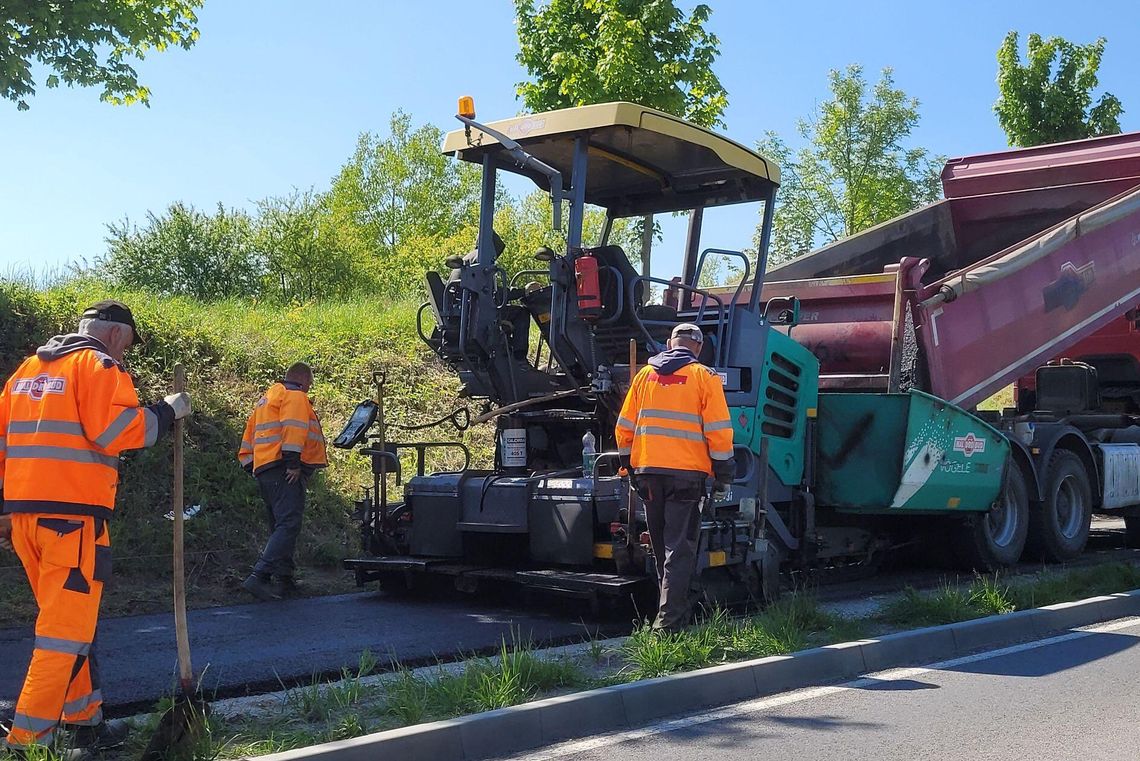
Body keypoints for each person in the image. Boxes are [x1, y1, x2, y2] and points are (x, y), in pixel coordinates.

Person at [0, 300, 192, 754]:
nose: (126, 354)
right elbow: (120, 431)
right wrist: (167, 412)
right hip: (72, 522)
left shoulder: (26, 372)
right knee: (63, 637)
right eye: (127, 344)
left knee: (68, 626)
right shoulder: (99, 365)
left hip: (27, 521)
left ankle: (84, 720)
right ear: (114, 335)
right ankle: (30, 743)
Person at [615, 323, 734, 633]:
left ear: (669, 343)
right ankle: (668, 625)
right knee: (678, 548)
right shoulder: (704, 377)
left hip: (649, 474)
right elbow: (719, 432)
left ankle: (673, 611)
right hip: (686, 476)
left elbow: (623, 427)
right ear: (698, 347)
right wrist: (724, 475)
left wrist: (629, 466)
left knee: (661, 546)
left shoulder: (644, 376)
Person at [238, 362, 327, 601]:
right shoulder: (295, 396)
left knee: (280, 525)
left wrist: (253, 466)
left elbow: (249, 436)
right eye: (310, 383)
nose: (309, 388)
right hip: (283, 469)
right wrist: (293, 464)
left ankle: (284, 579)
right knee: (288, 524)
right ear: (303, 380)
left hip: (265, 469)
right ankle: (260, 576)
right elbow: (294, 429)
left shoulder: (267, 399)